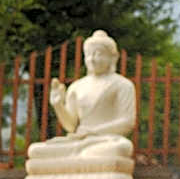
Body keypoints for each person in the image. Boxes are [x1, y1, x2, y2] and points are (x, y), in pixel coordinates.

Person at [26, 29, 135, 161]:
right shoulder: (77, 87)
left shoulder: (122, 85)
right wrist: (58, 105)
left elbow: (127, 122)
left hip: (105, 140)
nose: (93, 59)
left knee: (120, 148)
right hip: (78, 140)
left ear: (113, 57)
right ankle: (81, 158)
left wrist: (93, 132)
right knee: (35, 150)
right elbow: (71, 126)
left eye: (99, 54)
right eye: (89, 54)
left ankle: (81, 158)